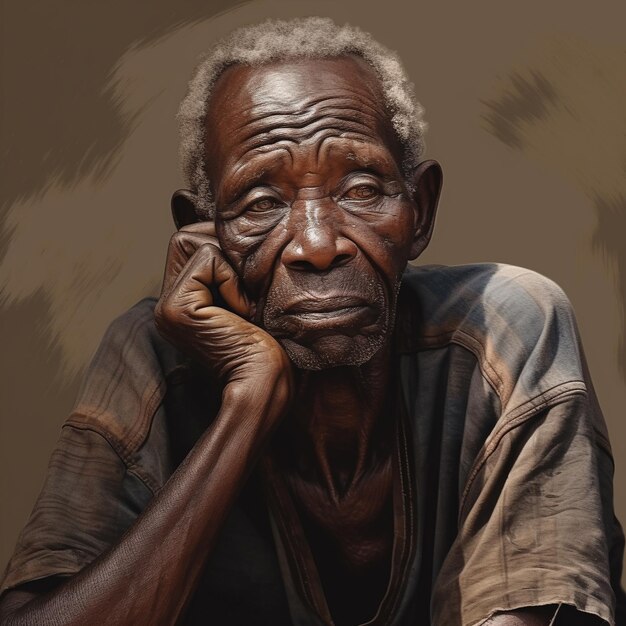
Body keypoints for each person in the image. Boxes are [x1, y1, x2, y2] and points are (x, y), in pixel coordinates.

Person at [0, 17, 624, 626]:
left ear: (421, 210)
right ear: (199, 233)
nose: (318, 245)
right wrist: (249, 402)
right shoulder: (155, 357)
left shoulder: (505, 329)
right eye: (261, 204)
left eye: (360, 189)